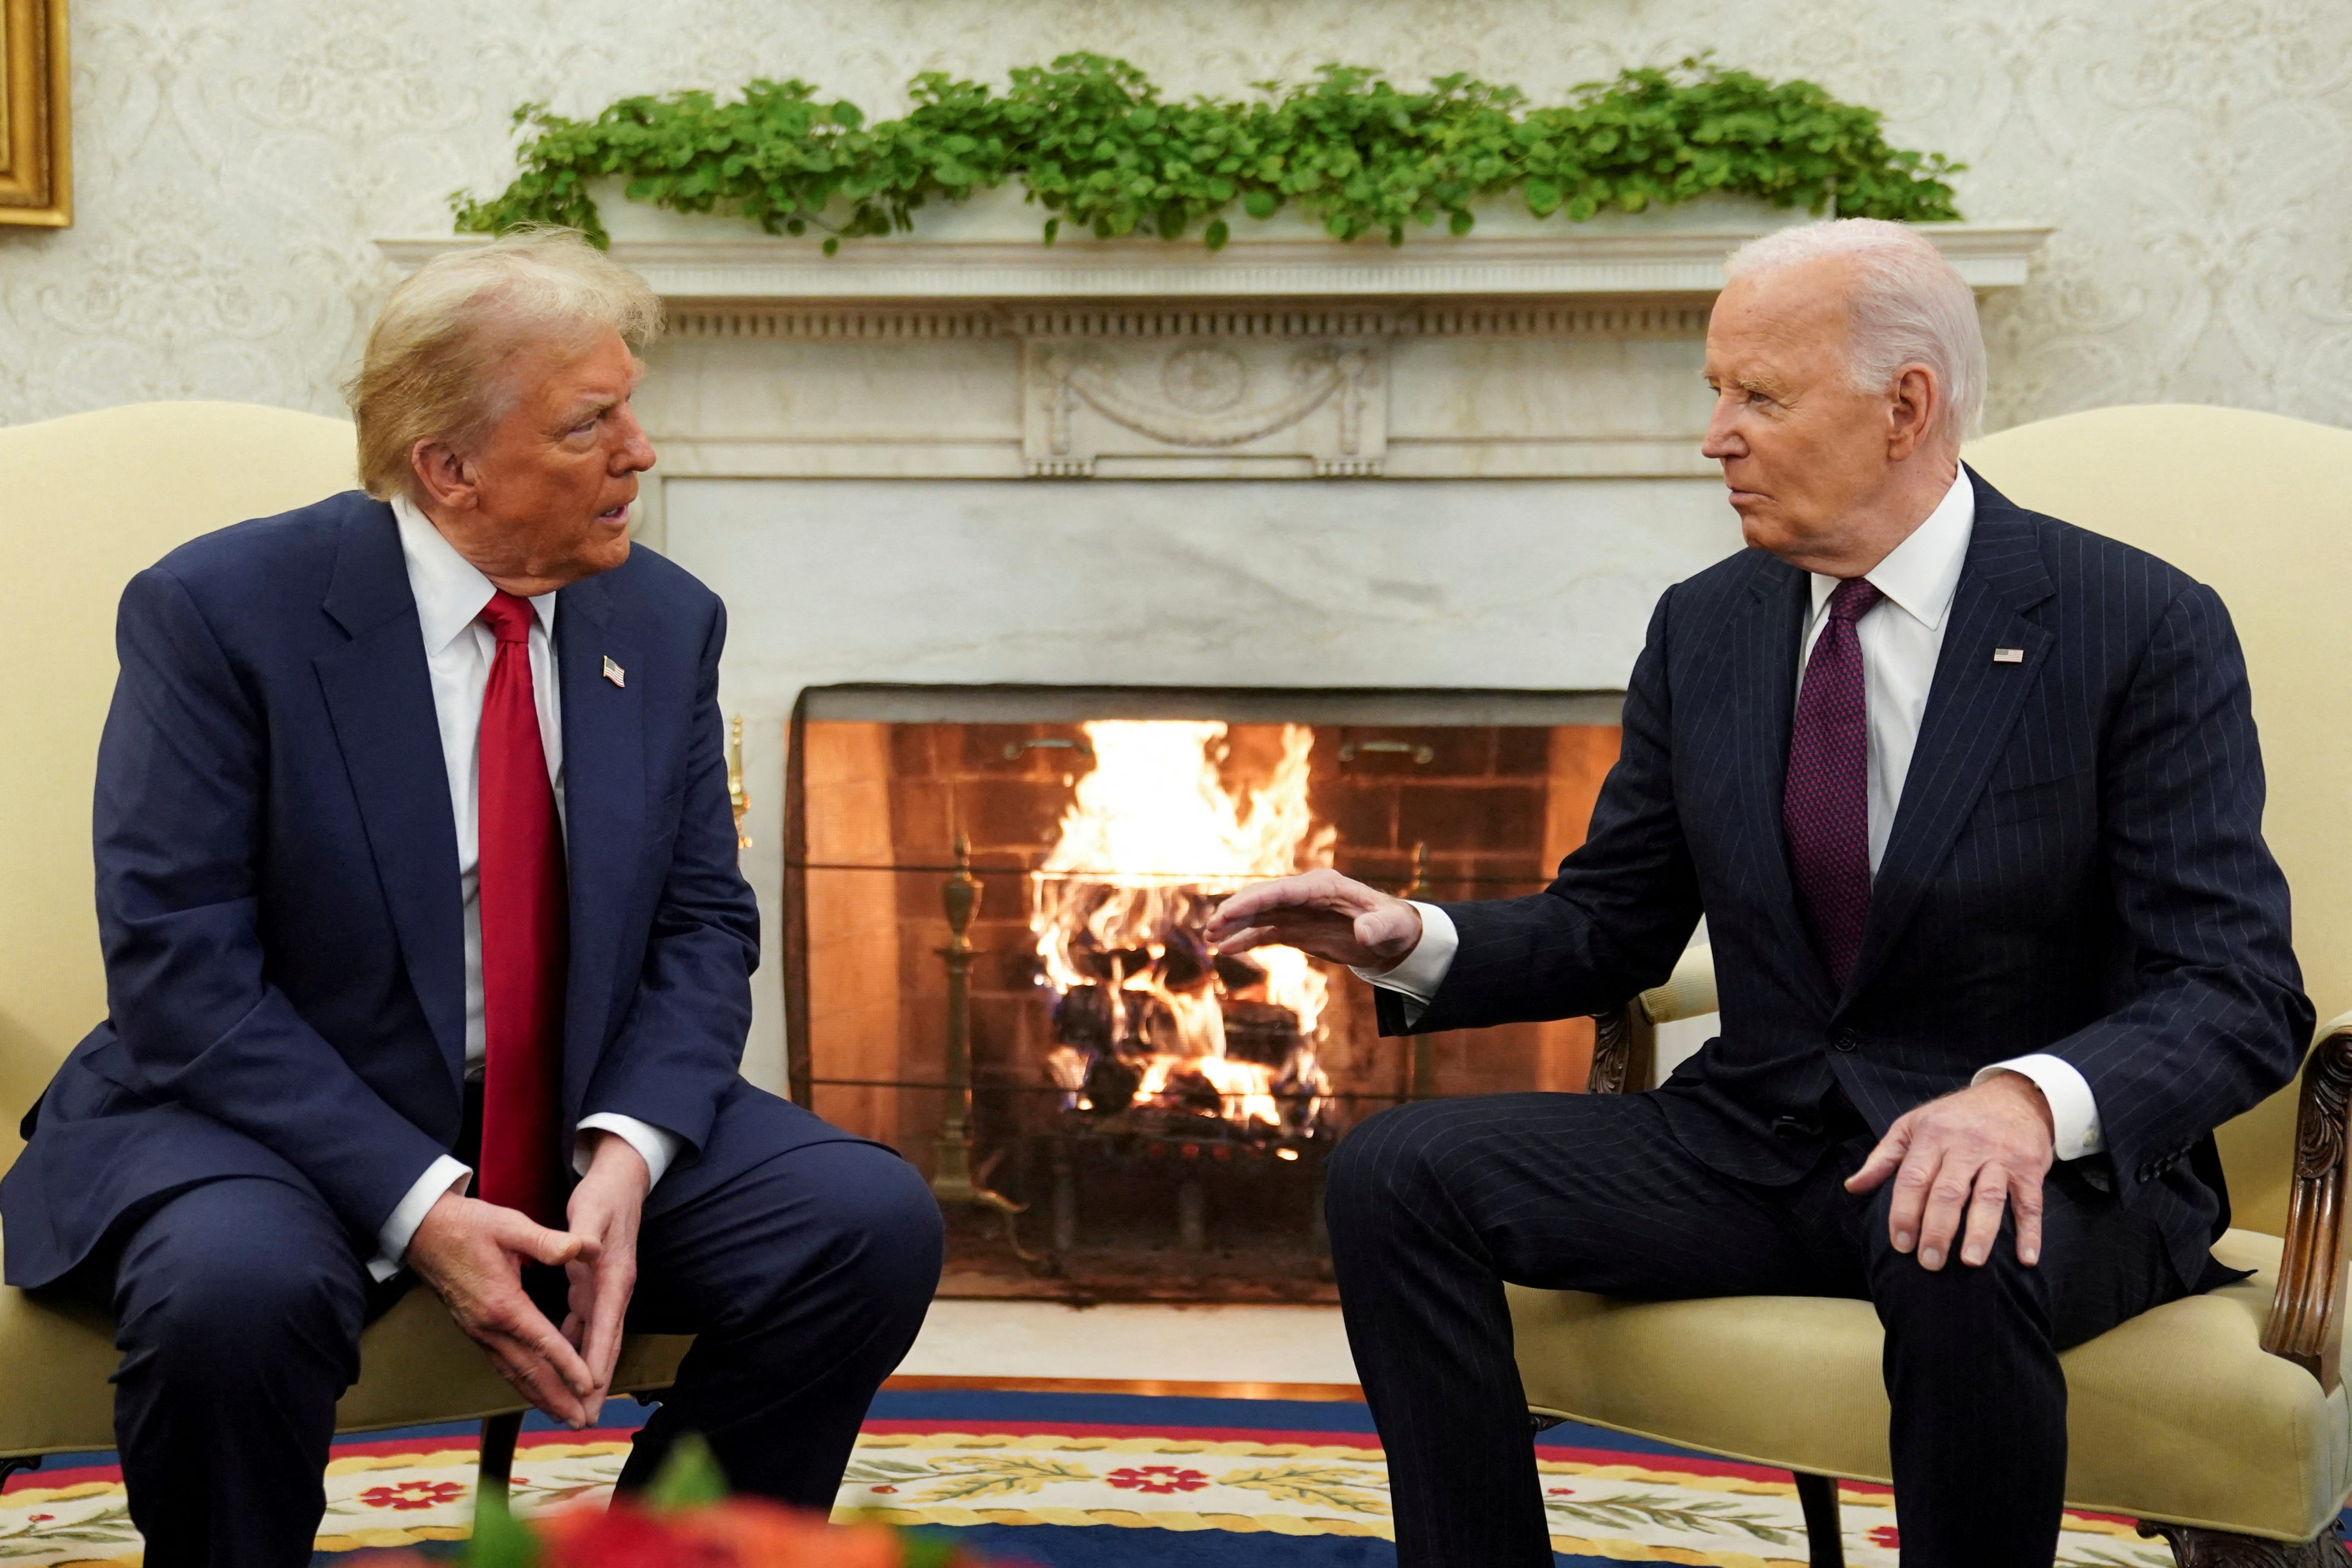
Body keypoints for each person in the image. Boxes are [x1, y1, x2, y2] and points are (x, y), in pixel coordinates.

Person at [1208, 218, 2311, 1568]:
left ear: (1905, 407)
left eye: (1761, 398)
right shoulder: (1708, 624)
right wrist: (1408, 939)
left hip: (2046, 1177)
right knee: (1397, 1175)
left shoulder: (2135, 623)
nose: (1715, 437)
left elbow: (2236, 988)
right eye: (1716, 391)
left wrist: (2026, 1103)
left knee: (1953, 1232)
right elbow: (1611, 923)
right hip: (1758, 1141)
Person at [0, 228, 944, 1568]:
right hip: (267, 1112)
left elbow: (701, 924)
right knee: (233, 1295)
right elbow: (180, 970)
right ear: (449, 467)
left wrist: (629, 1151)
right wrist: (424, 1206)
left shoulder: (662, 620)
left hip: (562, 1101)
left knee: (863, 1225)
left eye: (631, 409)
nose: (640, 453)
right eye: (588, 424)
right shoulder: (223, 612)